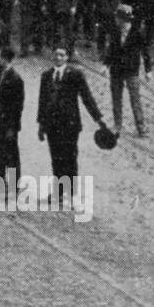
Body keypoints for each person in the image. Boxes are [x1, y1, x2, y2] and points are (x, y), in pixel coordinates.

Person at [36, 46, 108, 208]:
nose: (58, 58)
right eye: (56, 55)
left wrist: (98, 119)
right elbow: (42, 102)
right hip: (52, 125)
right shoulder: (46, 76)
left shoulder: (76, 75)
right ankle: (58, 192)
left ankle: (72, 194)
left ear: (67, 57)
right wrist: (41, 125)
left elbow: (86, 97)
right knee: (56, 158)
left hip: (70, 125)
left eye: (62, 55)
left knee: (70, 158)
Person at [101, 4, 150, 137]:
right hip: (116, 69)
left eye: (118, 17)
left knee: (135, 99)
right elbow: (110, 49)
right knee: (116, 98)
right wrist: (106, 65)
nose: (116, 19)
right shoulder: (115, 31)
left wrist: (148, 70)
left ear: (123, 19)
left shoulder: (137, 32)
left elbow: (145, 51)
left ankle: (141, 127)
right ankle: (118, 125)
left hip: (131, 70)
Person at [0, 46, 24, 186]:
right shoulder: (0, 74)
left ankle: (14, 186)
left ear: (4, 59)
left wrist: (12, 128)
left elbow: (17, 108)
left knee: (11, 156)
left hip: (7, 126)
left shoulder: (15, 79)